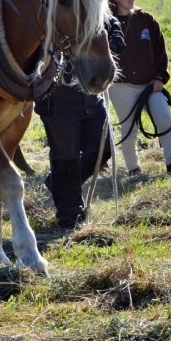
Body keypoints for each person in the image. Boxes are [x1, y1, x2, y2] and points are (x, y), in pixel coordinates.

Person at [35, 17, 125, 229]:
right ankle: (70, 215)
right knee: (66, 158)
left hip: (90, 96)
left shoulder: (90, 10)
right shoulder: (51, 11)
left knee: (103, 151)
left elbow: (112, 27)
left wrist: (104, 47)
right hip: (58, 99)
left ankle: (58, 184)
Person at [106, 0, 171, 176]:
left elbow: (160, 52)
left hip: (150, 84)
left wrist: (159, 78)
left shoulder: (146, 20)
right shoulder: (107, 24)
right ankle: (133, 168)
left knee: (164, 117)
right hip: (121, 85)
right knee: (129, 127)